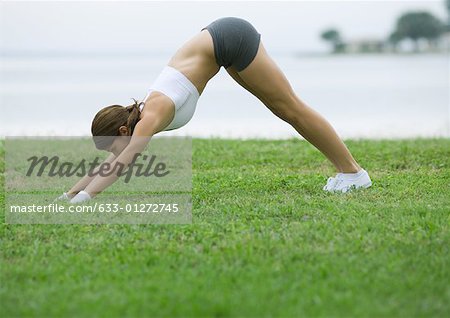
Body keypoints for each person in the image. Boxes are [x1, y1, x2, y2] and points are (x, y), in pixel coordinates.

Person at [57, 17, 372, 204]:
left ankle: (353, 174)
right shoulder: (139, 121)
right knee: (285, 109)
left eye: (113, 144)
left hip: (230, 37)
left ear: (124, 132)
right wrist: (69, 195)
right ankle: (349, 173)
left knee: (290, 108)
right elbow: (115, 159)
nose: (113, 152)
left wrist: (85, 199)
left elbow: (122, 162)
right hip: (220, 44)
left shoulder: (152, 113)